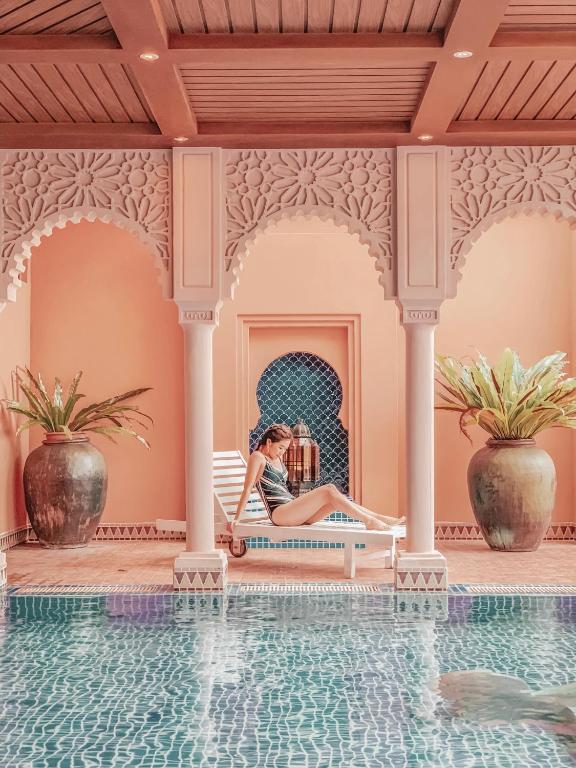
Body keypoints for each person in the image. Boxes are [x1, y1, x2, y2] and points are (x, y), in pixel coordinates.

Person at [231, 423, 405, 532]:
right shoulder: (258, 457)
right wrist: (236, 519)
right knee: (329, 489)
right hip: (280, 513)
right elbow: (248, 489)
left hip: (292, 509)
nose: (283, 453)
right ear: (269, 443)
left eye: (285, 449)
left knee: (334, 500)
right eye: (281, 448)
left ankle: (378, 517)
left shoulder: (275, 457)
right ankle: (370, 521)